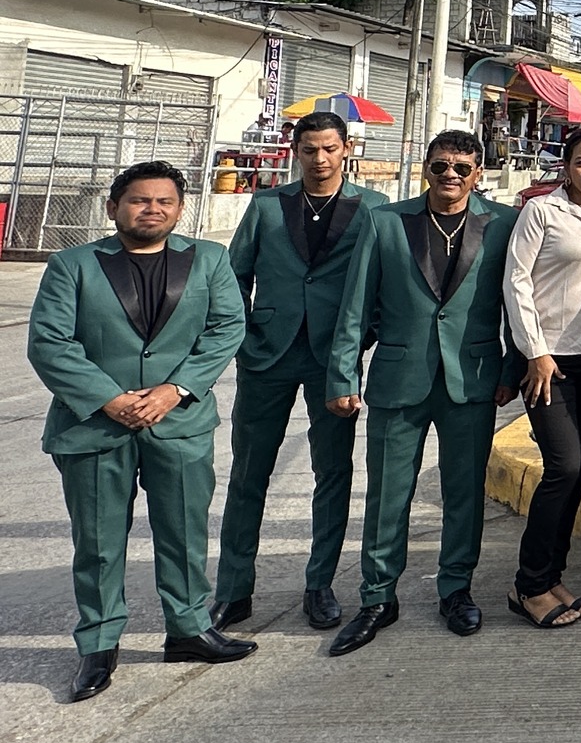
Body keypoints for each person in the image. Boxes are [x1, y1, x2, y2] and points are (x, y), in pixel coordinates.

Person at [28, 161, 256, 702]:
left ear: (180, 210)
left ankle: (188, 629)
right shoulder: (72, 265)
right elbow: (50, 341)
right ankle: (98, 643)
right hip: (94, 426)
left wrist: (175, 389)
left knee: (184, 532)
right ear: (114, 207)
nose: (152, 209)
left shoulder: (209, 260)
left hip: (178, 423)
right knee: (98, 541)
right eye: (139, 200)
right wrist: (109, 398)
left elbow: (227, 327)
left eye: (164, 201)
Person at [324, 130, 520, 656]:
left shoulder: (504, 223)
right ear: (426, 168)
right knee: (387, 493)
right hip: (398, 378)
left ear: (478, 173)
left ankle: (455, 589)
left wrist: (512, 367)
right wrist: (343, 377)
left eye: (462, 167)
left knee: (464, 492)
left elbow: (519, 303)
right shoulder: (385, 221)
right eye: (440, 166)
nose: (450, 175)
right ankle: (377, 597)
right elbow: (355, 305)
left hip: (472, 378)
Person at [215, 111, 386, 634]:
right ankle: (233, 591)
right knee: (248, 473)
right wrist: (245, 336)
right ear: (296, 152)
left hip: (333, 358)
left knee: (332, 472)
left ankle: (319, 585)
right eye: (309, 150)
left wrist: (359, 342)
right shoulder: (267, 205)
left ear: (346, 149)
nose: (320, 159)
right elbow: (233, 277)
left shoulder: (373, 208)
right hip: (267, 355)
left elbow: (381, 283)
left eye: (329, 148)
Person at [503, 124, 581, 629]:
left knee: (576, 474)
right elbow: (516, 283)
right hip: (550, 362)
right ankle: (528, 585)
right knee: (563, 467)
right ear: (566, 166)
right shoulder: (541, 212)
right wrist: (534, 352)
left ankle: (551, 576)